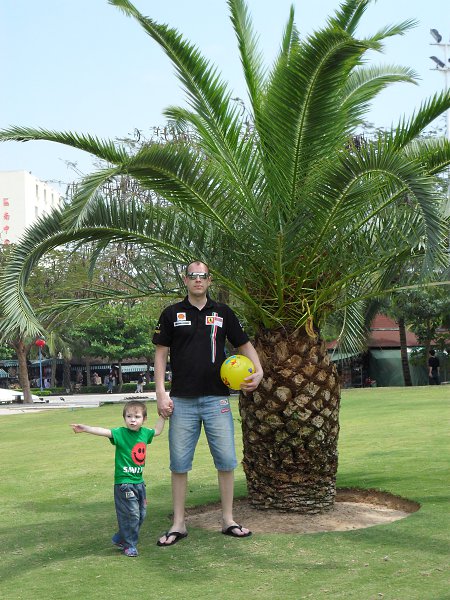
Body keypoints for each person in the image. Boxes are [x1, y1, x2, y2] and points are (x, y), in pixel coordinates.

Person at [152, 260, 263, 547]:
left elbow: (244, 344)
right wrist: (161, 392)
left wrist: (259, 371)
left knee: (226, 461)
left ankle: (228, 520)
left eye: (202, 276)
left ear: (209, 280)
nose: (198, 280)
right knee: (179, 464)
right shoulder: (172, 313)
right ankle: (179, 523)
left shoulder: (223, 313)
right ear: (185, 280)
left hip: (217, 400)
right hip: (182, 401)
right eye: (193, 276)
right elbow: (161, 354)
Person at [71, 400, 168, 557]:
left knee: (141, 514)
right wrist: (86, 428)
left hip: (139, 483)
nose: (132, 420)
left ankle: (120, 537)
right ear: (124, 418)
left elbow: (157, 431)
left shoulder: (145, 433)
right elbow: (104, 431)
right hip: (124, 484)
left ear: (144, 419)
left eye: (137, 417)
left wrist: (163, 417)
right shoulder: (120, 433)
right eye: (129, 416)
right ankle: (129, 545)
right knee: (132, 515)